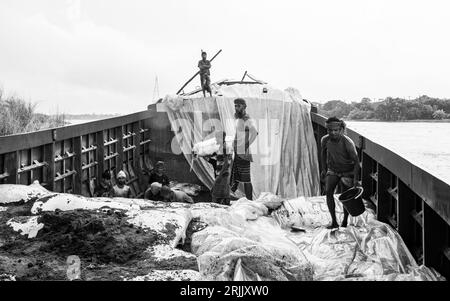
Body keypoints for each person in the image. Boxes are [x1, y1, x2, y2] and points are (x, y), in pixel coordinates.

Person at [320, 117, 361, 229]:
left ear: (341, 129)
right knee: (328, 192)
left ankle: (345, 221)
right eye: (330, 130)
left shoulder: (347, 143)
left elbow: (357, 162)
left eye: (336, 130)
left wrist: (356, 179)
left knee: (345, 196)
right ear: (327, 129)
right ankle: (334, 221)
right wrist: (324, 170)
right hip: (333, 170)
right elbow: (323, 154)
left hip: (347, 172)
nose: (333, 133)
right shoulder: (325, 140)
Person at [230, 98, 258, 200]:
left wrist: (246, 145)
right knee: (235, 177)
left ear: (244, 107)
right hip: (237, 152)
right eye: (235, 106)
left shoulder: (247, 119)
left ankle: (250, 202)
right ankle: (227, 198)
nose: (236, 108)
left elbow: (255, 133)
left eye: (239, 106)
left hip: (243, 154)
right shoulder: (239, 119)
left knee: (246, 179)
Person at [207, 132, 232, 205]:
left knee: (218, 194)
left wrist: (220, 176)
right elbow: (215, 161)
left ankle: (220, 206)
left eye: (217, 138)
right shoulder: (220, 148)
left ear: (222, 138)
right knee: (221, 193)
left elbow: (227, 163)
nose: (216, 140)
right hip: (220, 174)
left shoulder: (225, 148)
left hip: (223, 175)